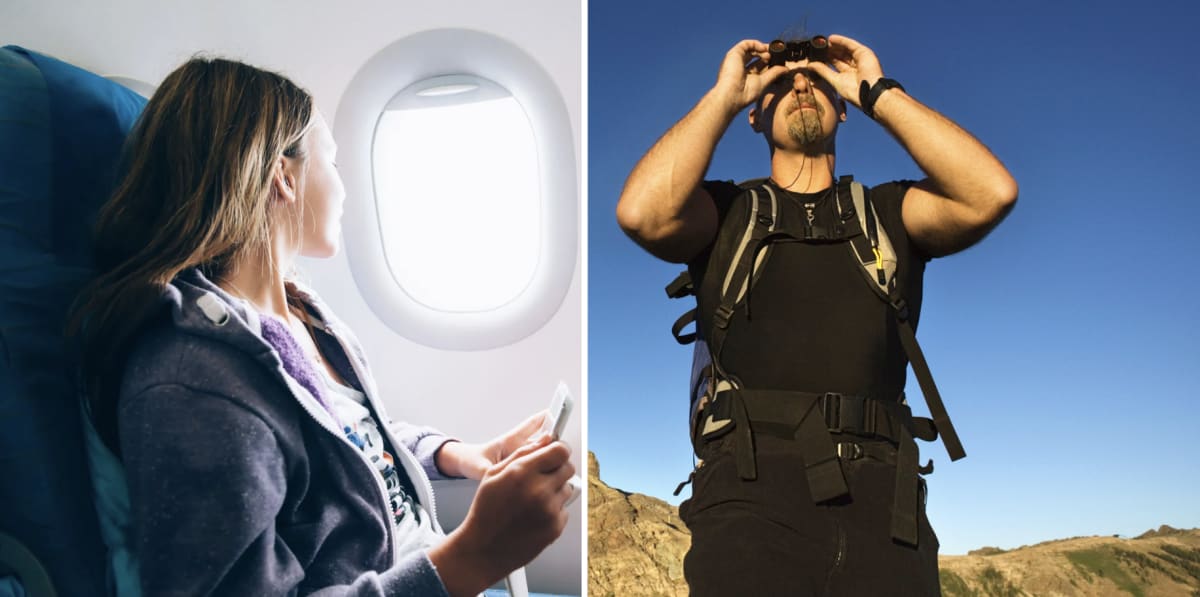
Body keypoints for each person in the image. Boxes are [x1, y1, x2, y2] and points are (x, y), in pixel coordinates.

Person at [68, 56, 575, 596]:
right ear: (283, 178)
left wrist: (459, 455)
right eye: (331, 161)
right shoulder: (193, 383)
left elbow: (345, 439)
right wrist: (472, 557)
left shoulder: (299, 312)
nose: (345, 187)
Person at [616, 34, 1017, 595]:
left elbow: (990, 193)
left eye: (818, 82)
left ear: (844, 110)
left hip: (889, 510)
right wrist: (726, 95)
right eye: (780, 83)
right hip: (750, 504)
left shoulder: (885, 212)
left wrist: (874, 89)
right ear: (756, 115)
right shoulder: (728, 213)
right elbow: (642, 213)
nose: (801, 85)